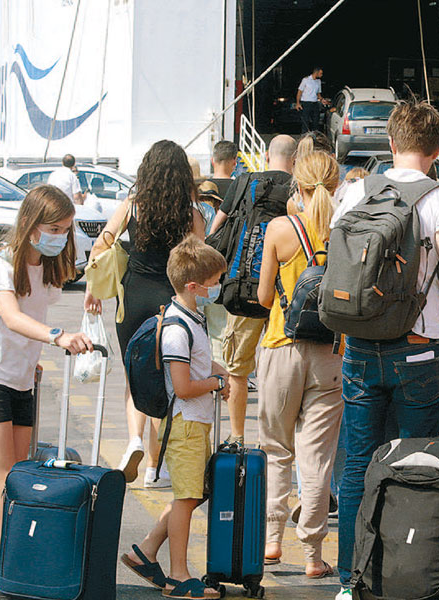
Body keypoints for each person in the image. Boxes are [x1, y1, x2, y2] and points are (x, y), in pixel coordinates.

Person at [332, 101, 439, 598]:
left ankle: (349, 580)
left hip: (359, 345)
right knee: (415, 462)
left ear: (391, 142)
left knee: (358, 465)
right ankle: (405, 577)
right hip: (417, 349)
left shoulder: (355, 191)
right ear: (437, 150)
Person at [0, 185, 92, 571]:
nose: (60, 237)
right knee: (3, 478)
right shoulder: (0, 266)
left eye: (65, 229)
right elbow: (13, 318)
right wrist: (58, 337)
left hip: (21, 380)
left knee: (13, 476)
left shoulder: (46, 268)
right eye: (53, 229)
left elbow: (31, 316)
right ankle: (8, 572)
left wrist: (33, 359)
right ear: (30, 224)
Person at [85, 140, 206, 487]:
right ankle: (156, 467)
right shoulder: (192, 215)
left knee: (134, 376)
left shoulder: (132, 206)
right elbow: (197, 262)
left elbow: (102, 243)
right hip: (170, 302)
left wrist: (93, 287)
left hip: (132, 297)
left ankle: (134, 440)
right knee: (165, 381)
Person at [120, 237, 229, 599]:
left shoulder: (190, 318)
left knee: (193, 494)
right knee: (185, 498)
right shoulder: (177, 329)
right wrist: (215, 383)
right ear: (193, 286)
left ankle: (146, 551)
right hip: (184, 424)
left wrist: (217, 372)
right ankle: (178, 575)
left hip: (193, 423)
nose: (218, 288)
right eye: (214, 283)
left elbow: (196, 364)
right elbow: (182, 387)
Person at [254, 150, 342, 576]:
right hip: (330, 352)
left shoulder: (279, 229)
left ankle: (272, 540)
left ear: (298, 185)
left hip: (280, 346)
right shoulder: (345, 230)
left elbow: (263, 297)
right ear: (336, 184)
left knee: (276, 448)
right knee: (317, 458)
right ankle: (312, 555)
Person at [206, 134, 297, 446]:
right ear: (294, 160)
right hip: (284, 294)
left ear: (267, 156)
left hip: (244, 286)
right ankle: (272, 439)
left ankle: (237, 436)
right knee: (277, 369)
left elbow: (217, 228)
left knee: (238, 369)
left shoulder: (245, 181)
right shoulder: (298, 188)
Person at [297, 67, 325, 133]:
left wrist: (322, 99)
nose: (321, 75)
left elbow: (318, 93)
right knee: (305, 121)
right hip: (306, 103)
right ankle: (304, 135)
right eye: (320, 73)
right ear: (316, 73)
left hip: (315, 103)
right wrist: (298, 103)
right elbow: (299, 92)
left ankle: (314, 135)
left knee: (316, 121)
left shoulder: (318, 81)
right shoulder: (305, 80)